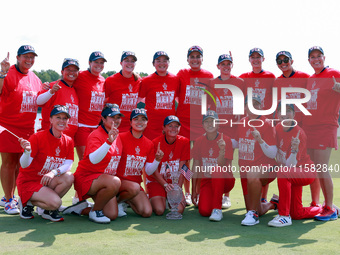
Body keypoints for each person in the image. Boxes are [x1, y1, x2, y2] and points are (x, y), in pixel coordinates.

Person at [64, 104, 123, 223]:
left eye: (118, 117)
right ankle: (95, 211)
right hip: (86, 178)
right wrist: (108, 142)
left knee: (111, 214)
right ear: (103, 119)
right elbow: (94, 160)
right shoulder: (96, 134)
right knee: (115, 182)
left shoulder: (117, 135)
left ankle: (80, 210)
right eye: (112, 117)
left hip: (103, 180)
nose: (116, 121)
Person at [0, 46, 42, 214]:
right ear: (18, 57)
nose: (29, 60)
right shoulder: (8, 71)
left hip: (27, 128)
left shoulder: (35, 78)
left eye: (32, 57)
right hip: (8, 126)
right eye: (26, 56)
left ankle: (10, 197)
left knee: (21, 165)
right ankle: (9, 199)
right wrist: (2, 73)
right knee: (9, 163)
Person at [268, 103, 323, 227]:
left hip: (304, 172)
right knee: (297, 213)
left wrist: (294, 150)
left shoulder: (299, 133)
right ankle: (322, 208)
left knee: (282, 171)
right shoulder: (277, 128)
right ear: (277, 114)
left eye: (289, 111)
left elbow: (291, 165)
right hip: (291, 174)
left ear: (294, 115)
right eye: (281, 111)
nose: (285, 114)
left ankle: (284, 216)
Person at [16, 105, 74, 222]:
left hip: (46, 180)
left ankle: (47, 210)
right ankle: (26, 202)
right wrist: (27, 152)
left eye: (65, 118)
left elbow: (69, 164)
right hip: (29, 181)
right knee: (56, 203)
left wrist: (53, 172)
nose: (62, 121)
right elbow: (24, 165)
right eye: (58, 117)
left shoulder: (68, 140)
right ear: (51, 119)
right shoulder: (38, 137)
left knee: (69, 177)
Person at [303, 46, 340, 221]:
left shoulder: (333, 73)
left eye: (318, 56)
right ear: (309, 60)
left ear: (324, 57)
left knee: (322, 167)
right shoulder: (311, 79)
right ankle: (323, 204)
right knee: (315, 167)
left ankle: (330, 208)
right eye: (312, 57)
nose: (316, 59)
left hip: (326, 126)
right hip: (310, 127)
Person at [176, 45, 214, 205]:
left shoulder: (208, 75)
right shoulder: (182, 74)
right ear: (187, 59)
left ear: (202, 59)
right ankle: (187, 192)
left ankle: (197, 193)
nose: (195, 59)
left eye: (198, 56)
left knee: (199, 160)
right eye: (192, 56)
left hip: (200, 125)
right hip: (183, 123)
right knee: (185, 161)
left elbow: (212, 101)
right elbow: (176, 95)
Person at [208, 53, 245, 209]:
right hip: (218, 127)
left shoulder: (239, 82)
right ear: (218, 66)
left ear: (232, 65)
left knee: (228, 160)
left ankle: (226, 196)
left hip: (233, 127)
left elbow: (246, 102)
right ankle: (214, 191)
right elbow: (209, 105)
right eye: (223, 64)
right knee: (216, 159)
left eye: (228, 63)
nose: (226, 66)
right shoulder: (212, 83)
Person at [239, 47, 276, 204]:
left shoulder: (270, 76)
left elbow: (275, 96)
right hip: (249, 122)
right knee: (249, 154)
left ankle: (263, 197)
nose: (255, 60)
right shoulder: (243, 77)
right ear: (249, 59)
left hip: (264, 121)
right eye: (252, 57)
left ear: (263, 59)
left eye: (258, 57)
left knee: (263, 157)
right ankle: (260, 202)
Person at [235, 95, 277, 226]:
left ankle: (253, 215)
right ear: (245, 107)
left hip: (266, 169)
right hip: (245, 172)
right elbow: (237, 143)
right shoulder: (242, 122)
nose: (253, 107)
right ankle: (273, 203)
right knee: (257, 208)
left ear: (261, 107)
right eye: (250, 104)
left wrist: (260, 140)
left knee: (253, 173)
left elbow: (273, 153)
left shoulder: (267, 124)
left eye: (256, 104)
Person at [115, 108, 163, 217]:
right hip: (118, 182)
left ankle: (126, 200)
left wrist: (157, 160)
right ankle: (116, 201)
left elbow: (149, 170)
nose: (139, 122)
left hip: (135, 185)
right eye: (136, 119)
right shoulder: (120, 137)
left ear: (147, 122)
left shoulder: (149, 143)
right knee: (133, 188)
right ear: (130, 122)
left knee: (146, 212)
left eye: (143, 119)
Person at [191, 110, 235, 222]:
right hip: (207, 181)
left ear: (218, 124)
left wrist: (222, 150)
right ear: (202, 125)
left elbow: (225, 167)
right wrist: (194, 190)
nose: (210, 124)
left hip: (225, 180)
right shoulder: (199, 141)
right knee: (204, 211)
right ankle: (211, 201)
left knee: (216, 170)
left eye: (213, 121)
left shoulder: (226, 140)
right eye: (207, 121)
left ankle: (217, 209)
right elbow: (195, 166)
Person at [146, 116, 190, 216]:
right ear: (164, 128)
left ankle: (168, 198)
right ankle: (158, 197)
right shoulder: (155, 142)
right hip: (157, 181)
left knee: (179, 210)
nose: (173, 129)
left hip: (173, 181)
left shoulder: (184, 141)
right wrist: (165, 185)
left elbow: (183, 167)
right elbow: (154, 171)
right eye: (170, 126)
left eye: (176, 126)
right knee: (159, 210)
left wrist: (178, 188)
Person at [138, 51, 179, 140]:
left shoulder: (175, 79)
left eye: (165, 60)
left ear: (168, 63)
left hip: (170, 126)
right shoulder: (147, 80)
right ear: (153, 64)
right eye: (158, 60)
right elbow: (138, 99)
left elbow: (179, 99)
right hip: (151, 127)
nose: (162, 63)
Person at [73, 51, 106, 160]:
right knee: (85, 159)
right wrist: (47, 86)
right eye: (96, 62)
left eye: (102, 62)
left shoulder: (103, 80)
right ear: (89, 62)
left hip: (97, 127)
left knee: (96, 160)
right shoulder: (80, 76)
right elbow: (64, 82)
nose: (99, 65)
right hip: (82, 125)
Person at [37, 58, 80, 141]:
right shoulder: (54, 86)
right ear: (62, 71)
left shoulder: (75, 90)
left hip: (67, 140)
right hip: (51, 138)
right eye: (68, 69)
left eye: (74, 70)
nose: (71, 72)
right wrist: (51, 91)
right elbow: (38, 101)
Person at [104, 51, 141, 132]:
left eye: (132, 61)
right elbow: (104, 101)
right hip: (115, 125)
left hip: (131, 126)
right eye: (126, 60)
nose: (129, 63)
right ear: (121, 63)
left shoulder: (138, 80)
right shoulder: (111, 80)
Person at [273, 51, 309, 126]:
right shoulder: (276, 82)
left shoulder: (305, 77)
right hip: (284, 126)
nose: (283, 63)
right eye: (279, 61)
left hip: (303, 124)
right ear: (277, 65)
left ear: (291, 61)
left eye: (286, 60)